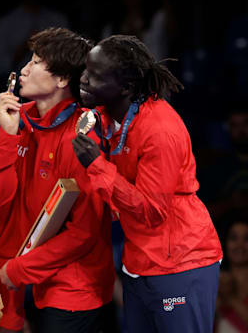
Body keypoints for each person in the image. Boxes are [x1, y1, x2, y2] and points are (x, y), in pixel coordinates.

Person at [73, 34, 223, 333]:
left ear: (126, 87)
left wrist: (97, 165)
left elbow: (152, 211)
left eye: (95, 75)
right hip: (137, 262)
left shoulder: (160, 130)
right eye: (86, 70)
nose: (84, 80)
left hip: (180, 263)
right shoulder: (103, 117)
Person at [0, 27, 114, 333]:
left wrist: (21, 268)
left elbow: (84, 232)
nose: (24, 70)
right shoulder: (17, 119)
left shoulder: (81, 137)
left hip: (73, 287)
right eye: (28, 61)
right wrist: (6, 134)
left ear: (62, 79)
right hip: (20, 278)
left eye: (36, 63)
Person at [216, 216, 248, 332]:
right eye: (234, 238)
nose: (239, 244)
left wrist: (230, 298)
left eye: (246, 239)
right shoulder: (215, 281)